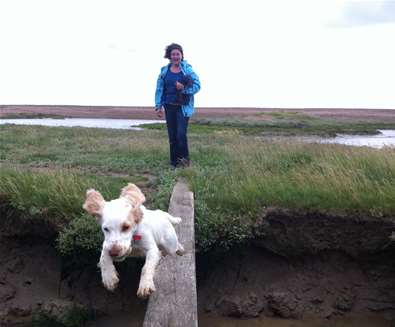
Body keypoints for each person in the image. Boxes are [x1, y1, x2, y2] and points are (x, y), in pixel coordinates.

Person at [154, 43, 201, 168]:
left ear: (181, 55)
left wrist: (184, 89)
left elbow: (197, 86)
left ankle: (185, 162)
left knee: (181, 134)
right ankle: (174, 163)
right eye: (173, 54)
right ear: (169, 56)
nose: (175, 56)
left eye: (178, 54)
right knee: (172, 136)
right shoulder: (164, 71)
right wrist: (158, 106)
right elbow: (159, 89)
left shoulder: (187, 69)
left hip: (183, 107)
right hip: (169, 106)